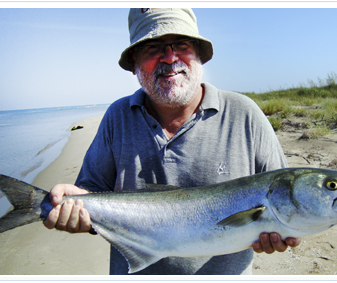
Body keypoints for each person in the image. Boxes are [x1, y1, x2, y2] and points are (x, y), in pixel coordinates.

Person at [43, 8, 300, 275]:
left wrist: (287, 228)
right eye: (153, 48)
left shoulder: (245, 114)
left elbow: (282, 200)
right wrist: (74, 207)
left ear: (198, 54)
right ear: (134, 62)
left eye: (181, 44)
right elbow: (91, 191)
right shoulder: (117, 117)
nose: (169, 57)